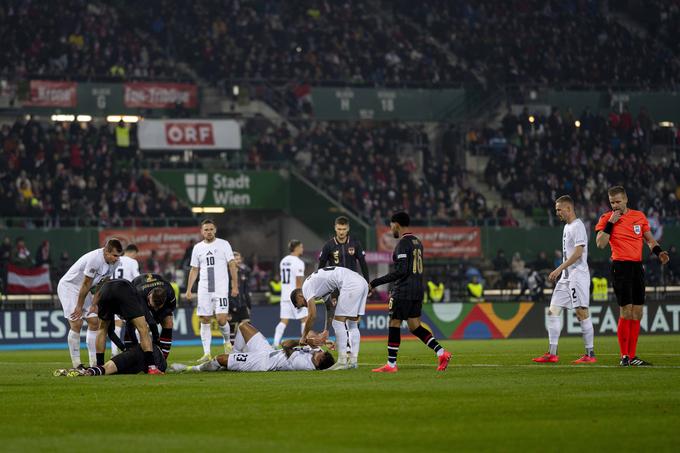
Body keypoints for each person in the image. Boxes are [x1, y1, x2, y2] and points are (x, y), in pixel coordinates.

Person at [595, 186, 669, 366]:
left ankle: (633, 356)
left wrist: (659, 252)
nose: (615, 205)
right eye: (612, 202)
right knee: (626, 310)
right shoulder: (606, 218)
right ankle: (624, 356)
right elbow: (600, 244)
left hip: (637, 267)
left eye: (618, 201)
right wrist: (611, 222)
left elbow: (650, 240)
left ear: (626, 199)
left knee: (638, 312)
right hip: (620, 267)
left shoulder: (639, 216)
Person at [369, 212, 451, 373]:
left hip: (404, 290)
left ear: (396, 224)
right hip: (417, 290)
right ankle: (442, 353)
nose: (390, 228)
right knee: (415, 326)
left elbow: (401, 271)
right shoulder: (417, 242)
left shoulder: (403, 244)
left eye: (391, 224)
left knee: (394, 323)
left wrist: (375, 282)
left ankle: (391, 364)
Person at [533, 196, 595, 364]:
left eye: (559, 209)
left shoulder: (578, 226)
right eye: (556, 210)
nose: (557, 213)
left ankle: (590, 354)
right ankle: (552, 353)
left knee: (581, 313)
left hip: (578, 276)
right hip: (566, 278)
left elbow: (578, 253)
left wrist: (558, 269)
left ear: (569, 209)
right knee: (552, 312)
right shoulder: (567, 227)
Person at [56, 239, 122, 370]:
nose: (117, 259)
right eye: (114, 255)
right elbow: (86, 284)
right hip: (69, 287)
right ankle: (77, 364)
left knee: (94, 321)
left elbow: (102, 284)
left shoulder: (115, 262)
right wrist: (79, 306)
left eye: (119, 255)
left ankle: (93, 364)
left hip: (83, 290)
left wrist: (94, 304)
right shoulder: (95, 259)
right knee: (77, 322)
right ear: (106, 251)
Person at [169, 322, 335, 373]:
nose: (319, 353)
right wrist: (320, 339)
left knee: (220, 359)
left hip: (263, 363)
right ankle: (234, 357)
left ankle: (192, 369)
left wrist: (304, 342)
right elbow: (312, 334)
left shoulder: (304, 365)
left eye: (320, 356)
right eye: (322, 352)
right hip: (268, 352)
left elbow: (284, 344)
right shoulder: (317, 355)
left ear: (318, 364)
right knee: (243, 326)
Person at [290, 266, 369, 370]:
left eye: (300, 305)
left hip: (350, 284)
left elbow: (312, 315)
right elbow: (329, 307)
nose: (304, 306)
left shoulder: (306, 288)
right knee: (352, 324)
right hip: (362, 282)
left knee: (337, 323)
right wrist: (326, 330)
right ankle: (353, 361)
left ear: (299, 296)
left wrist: (303, 336)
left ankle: (342, 361)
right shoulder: (317, 287)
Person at [185, 219, 239, 363]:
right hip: (204, 288)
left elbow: (232, 265)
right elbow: (194, 269)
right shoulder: (197, 248)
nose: (208, 232)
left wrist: (235, 286)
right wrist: (189, 289)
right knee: (205, 319)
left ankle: (227, 342)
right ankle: (207, 353)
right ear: (202, 232)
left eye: (211, 229)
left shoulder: (224, 244)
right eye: (206, 229)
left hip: (220, 288)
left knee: (221, 319)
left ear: (215, 230)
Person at [90, 278, 166, 374]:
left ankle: (99, 366)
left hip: (104, 290)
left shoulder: (112, 302)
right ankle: (152, 367)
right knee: (143, 329)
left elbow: (110, 332)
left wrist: (124, 348)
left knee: (102, 329)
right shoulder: (137, 297)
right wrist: (156, 341)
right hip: (124, 288)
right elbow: (150, 322)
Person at [132, 272, 177, 359]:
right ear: (149, 296)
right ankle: (135, 354)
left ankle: (163, 358)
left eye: (158, 307)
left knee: (169, 322)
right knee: (142, 326)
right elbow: (150, 321)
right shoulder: (139, 292)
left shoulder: (169, 291)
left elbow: (172, 307)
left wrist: (159, 317)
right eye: (153, 306)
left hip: (156, 286)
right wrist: (156, 339)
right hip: (137, 294)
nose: (155, 309)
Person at [56, 343, 167, 377]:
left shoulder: (147, 343)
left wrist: (123, 347)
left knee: (109, 368)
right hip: (144, 366)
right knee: (112, 370)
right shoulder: (162, 363)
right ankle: (86, 371)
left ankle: (86, 371)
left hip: (137, 352)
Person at [273, 240, 306, 347]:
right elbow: (298, 282)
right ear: (296, 248)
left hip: (284, 295)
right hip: (294, 295)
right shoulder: (298, 262)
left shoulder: (283, 261)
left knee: (283, 321)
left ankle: (275, 343)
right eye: (301, 247)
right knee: (305, 318)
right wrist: (300, 297)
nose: (302, 249)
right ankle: (305, 342)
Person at [111, 243, 141, 356]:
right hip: (125, 294)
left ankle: (114, 352)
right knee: (138, 322)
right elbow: (137, 279)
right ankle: (140, 349)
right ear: (133, 252)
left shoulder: (115, 259)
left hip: (111, 292)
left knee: (116, 324)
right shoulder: (132, 262)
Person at [318, 216, 369, 281]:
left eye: (344, 229)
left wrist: (367, 283)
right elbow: (320, 268)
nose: (341, 232)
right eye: (339, 229)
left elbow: (363, 264)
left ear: (348, 229)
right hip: (335, 283)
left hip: (352, 282)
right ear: (335, 228)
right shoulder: (328, 246)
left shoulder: (355, 244)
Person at [228, 251, 252, 345]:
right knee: (231, 330)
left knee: (247, 326)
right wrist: (228, 308)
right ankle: (231, 350)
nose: (238, 261)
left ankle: (247, 347)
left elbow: (246, 291)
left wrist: (248, 306)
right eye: (235, 259)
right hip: (231, 305)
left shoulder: (243, 273)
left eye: (239, 259)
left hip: (242, 305)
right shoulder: (227, 273)